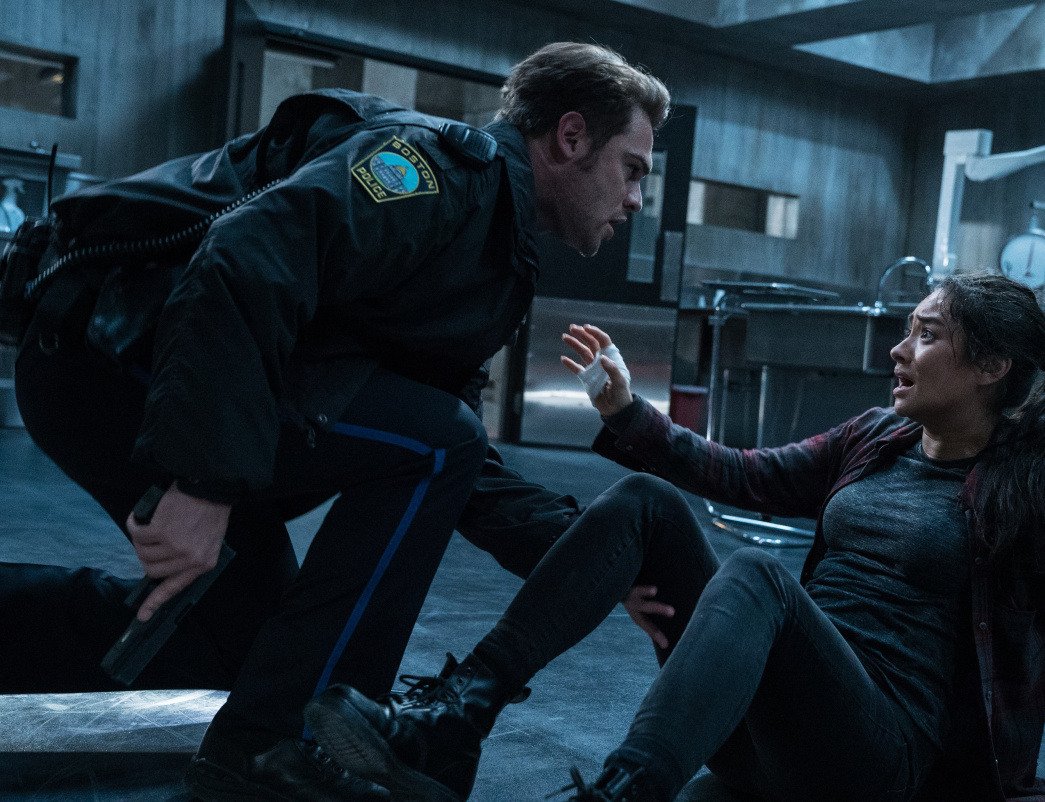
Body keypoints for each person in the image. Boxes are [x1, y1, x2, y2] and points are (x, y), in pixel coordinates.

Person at [9, 41, 669, 800]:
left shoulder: (494, 249)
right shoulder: (435, 172)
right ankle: (286, 758)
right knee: (433, 446)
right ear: (571, 136)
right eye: (632, 169)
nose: (635, 200)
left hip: (179, 378)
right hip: (111, 357)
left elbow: (462, 460)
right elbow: (244, 256)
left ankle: (267, 732)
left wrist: (585, 557)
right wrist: (201, 483)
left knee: (246, 646)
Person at [303, 271, 1045, 802]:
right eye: (907, 330)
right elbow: (743, 473)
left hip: (875, 755)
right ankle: (459, 713)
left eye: (926, 335)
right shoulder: (876, 437)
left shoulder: (1023, 491)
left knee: (757, 575)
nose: (898, 350)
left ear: (991, 365)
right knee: (645, 502)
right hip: (767, 720)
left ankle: (627, 788)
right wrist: (627, 413)